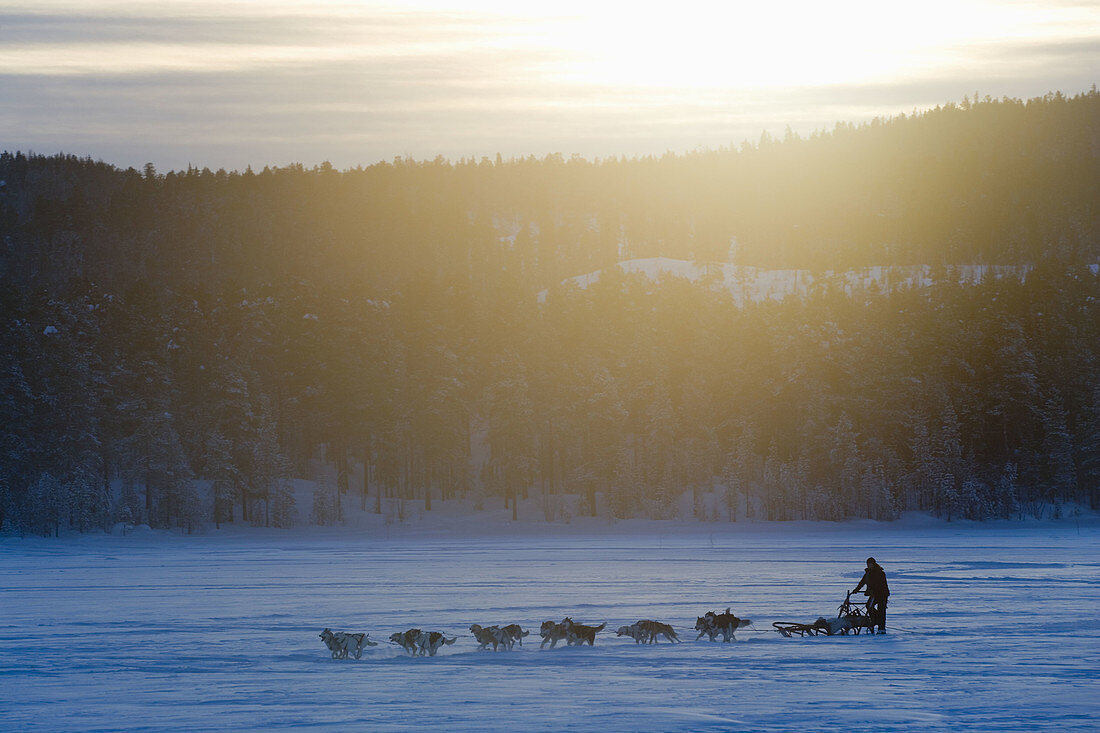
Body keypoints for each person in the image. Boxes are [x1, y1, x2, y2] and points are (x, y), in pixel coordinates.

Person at [853, 557, 889, 634]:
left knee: (881, 610)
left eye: (870, 564)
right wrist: (856, 590)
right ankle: (875, 620)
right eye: (868, 564)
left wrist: (873, 591)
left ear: (874, 564)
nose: (869, 565)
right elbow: (862, 582)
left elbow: (882, 585)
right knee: (869, 606)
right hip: (874, 594)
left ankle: (881, 628)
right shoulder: (868, 573)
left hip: (882, 594)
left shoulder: (880, 573)